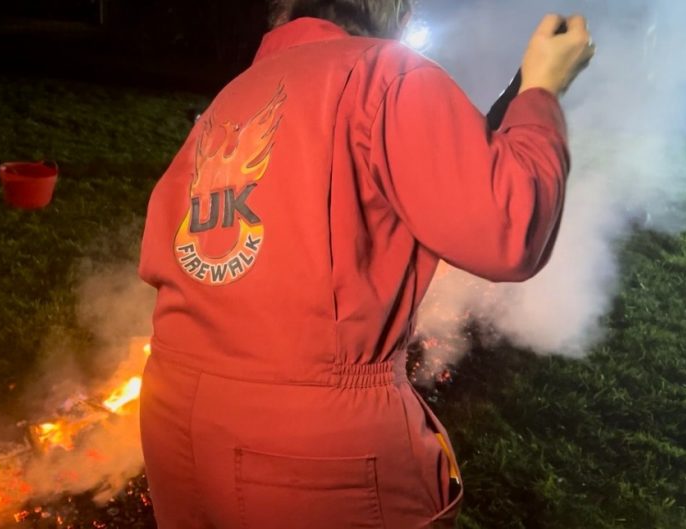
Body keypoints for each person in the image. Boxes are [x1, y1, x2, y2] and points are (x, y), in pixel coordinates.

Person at [138, 1, 595, 527]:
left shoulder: (236, 94)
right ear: (395, 12)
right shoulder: (387, 72)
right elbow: (510, 231)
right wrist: (542, 92)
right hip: (310, 450)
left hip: (175, 424)